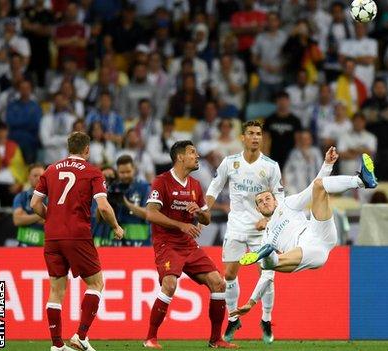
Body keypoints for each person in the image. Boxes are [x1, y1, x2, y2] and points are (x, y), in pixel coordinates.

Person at [230, 149, 377, 317]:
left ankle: (362, 180)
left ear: (275, 199)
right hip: (307, 251)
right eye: (260, 202)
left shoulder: (288, 204)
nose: (265, 202)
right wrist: (251, 302)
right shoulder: (266, 236)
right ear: (257, 209)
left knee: (319, 186)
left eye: (267, 198)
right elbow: (266, 278)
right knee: (266, 266)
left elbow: (312, 188)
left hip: (319, 232)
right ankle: (265, 256)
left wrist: (327, 164)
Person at [30, 132, 125, 351]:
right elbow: (102, 206)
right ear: (87, 150)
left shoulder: (51, 169)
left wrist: (52, 218)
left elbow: (35, 203)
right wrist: (116, 227)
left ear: (68, 147)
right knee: (96, 283)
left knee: (55, 290)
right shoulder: (93, 172)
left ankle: (56, 345)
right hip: (77, 234)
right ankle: (81, 336)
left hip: (52, 236)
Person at [143, 140, 237, 349]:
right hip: (166, 243)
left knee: (218, 283)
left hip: (188, 245)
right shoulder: (162, 181)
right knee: (169, 284)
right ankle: (150, 338)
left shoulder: (194, 185)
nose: (197, 156)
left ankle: (215, 339)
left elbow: (206, 219)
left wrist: (200, 211)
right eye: (192, 153)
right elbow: (150, 213)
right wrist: (181, 225)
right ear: (180, 157)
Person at [205, 121, 283, 344]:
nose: (255, 137)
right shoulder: (230, 163)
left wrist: (267, 218)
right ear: (243, 137)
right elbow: (215, 186)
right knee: (229, 274)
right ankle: (232, 318)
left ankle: (266, 320)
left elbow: (281, 198)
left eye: (259, 134)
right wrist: (205, 208)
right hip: (237, 227)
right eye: (251, 133)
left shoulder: (270, 166)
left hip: (262, 229)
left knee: (267, 274)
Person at [106, 155, 151, 247]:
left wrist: (125, 202)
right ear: (117, 171)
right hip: (117, 236)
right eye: (122, 172)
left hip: (139, 237)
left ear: (134, 169)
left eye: (128, 171)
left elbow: (149, 214)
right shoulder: (113, 187)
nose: (125, 175)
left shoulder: (144, 187)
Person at [12, 164, 46, 247]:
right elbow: (17, 220)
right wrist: (43, 215)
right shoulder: (21, 196)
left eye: (41, 176)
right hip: (23, 247)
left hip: (44, 247)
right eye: (35, 175)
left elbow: (56, 222)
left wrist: (27, 217)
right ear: (29, 177)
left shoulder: (53, 197)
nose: (38, 178)